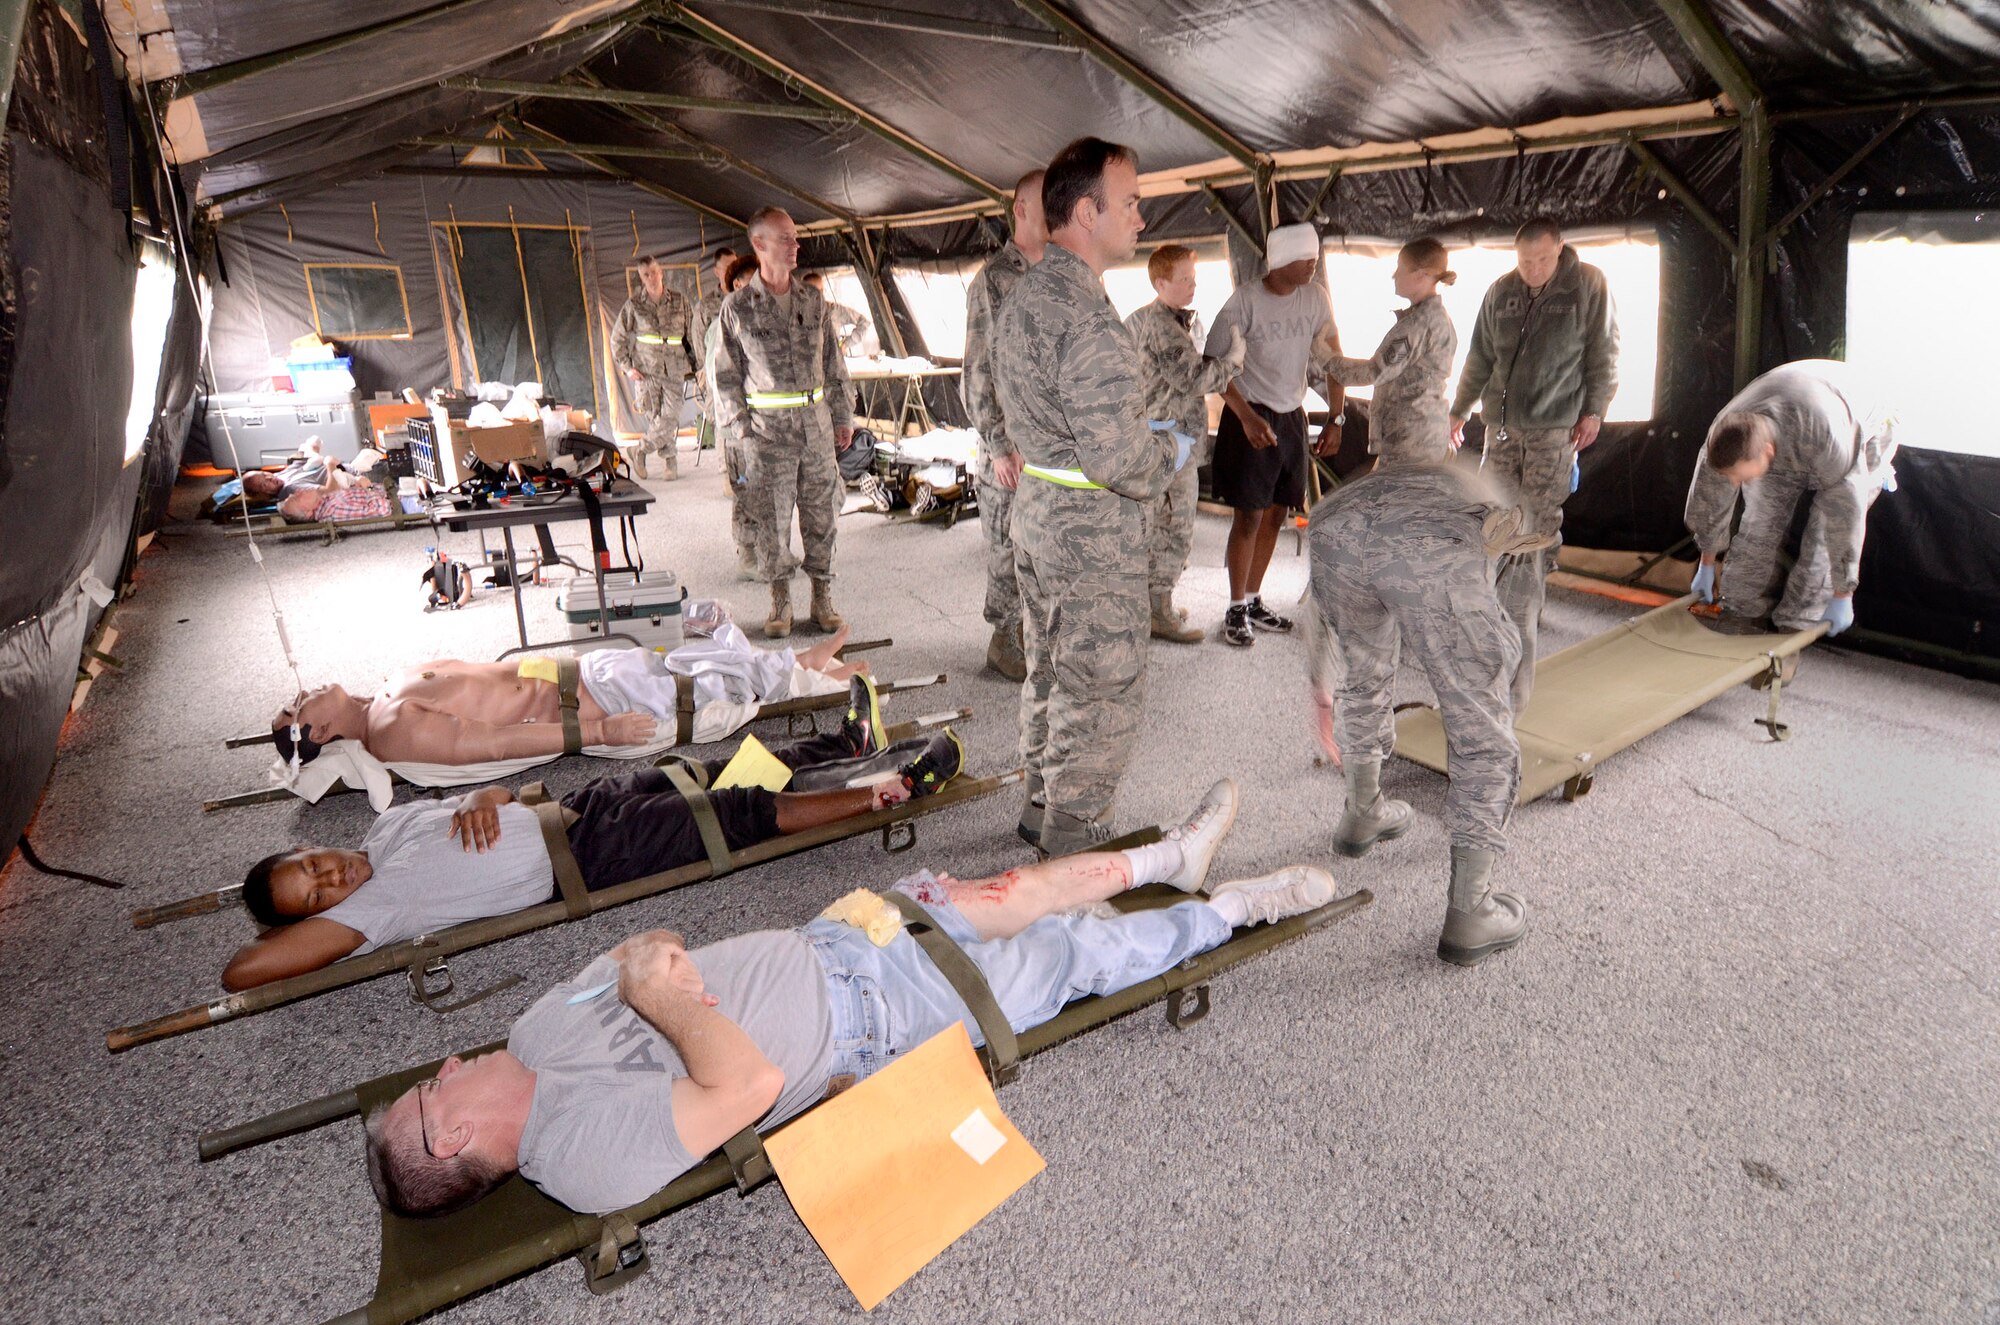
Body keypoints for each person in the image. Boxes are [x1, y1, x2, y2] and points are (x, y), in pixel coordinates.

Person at [360, 778, 1342, 1219]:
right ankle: (1227, 910)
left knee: (1018, 890)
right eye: (430, 1093)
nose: (443, 1066)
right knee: (1076, 952)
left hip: (840, 935)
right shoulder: (579, 1159)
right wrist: (662, 997)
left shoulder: (530, 1033)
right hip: (886, 1022)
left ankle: (1170, 856)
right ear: (454, 1139)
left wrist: (652, 965)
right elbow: (746, 1086)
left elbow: (644, 948)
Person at [220, 715, 967, 992]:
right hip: (587, 858)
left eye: (313, 867)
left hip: (574, 807)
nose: (331, 878)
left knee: (707, 771)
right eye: (318, 896)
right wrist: (306, 926)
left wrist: (484, 800)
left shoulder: (386, 832)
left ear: (311, 845)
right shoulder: (374, 909)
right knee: (732, 814)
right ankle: (894, 789)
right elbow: (243, 971)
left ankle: (843, 744)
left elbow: (493, 798)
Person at [994, 138, 1184, 856]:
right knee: (1100, 678)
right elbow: (1121, 460)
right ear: (1085, 212)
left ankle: (1041, 801)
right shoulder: (1088, 318)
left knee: (1049, 665)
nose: (1140, 217)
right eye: (1129, 203)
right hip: (1090, 531)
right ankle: (1072, 834)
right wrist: (1172, 449)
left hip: (1041, 511)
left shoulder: (1025, 295)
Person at [1306, 463, 1543, 967]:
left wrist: (1319, 685)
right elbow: (1519, 623)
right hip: (1429, 542)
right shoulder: (1504, 508)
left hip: (1333, 527)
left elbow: (1320, 614)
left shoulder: (1422, 478)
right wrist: (1500, 709)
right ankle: (1471, 911)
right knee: (1478, 718)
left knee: (1363, 671)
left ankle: (1362, 813)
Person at [269, 624, 870, 768]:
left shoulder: (386, 690)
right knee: (704, 688)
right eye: (298, 707)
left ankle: (804, 665)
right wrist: (598, 733)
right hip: (582, 705)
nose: (304, 693)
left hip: (578, 672)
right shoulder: (390, 729)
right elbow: (491, 742)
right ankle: (809, 672)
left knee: (690, 659)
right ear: (317, 733)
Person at [1448, 218, 1619, 710]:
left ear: (1559, 248)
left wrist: (1595, 411)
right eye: (1525, 261)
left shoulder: (1588, 286)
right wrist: (1459, 409)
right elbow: (1480, 356)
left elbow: (1603, 354)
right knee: (1496, 519)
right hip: (1502, 429)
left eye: (1542, 259)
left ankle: (1525, 608)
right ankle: (1498, 608)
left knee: (1539, 524)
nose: (1534, 269)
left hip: (1553, 429)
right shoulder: (1500, 292)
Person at [711, 207, 856, 638]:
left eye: (795, 237)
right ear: (759, 244)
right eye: (786, 238)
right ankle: (780, 600)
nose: (796, 245)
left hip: (816, 429)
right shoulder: (738, 307)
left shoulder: (813, 301)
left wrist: (842, 416)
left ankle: (822, 596)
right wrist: (742, 432)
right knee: (772, 522)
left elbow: (834, 365)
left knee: (822, 516)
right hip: (767, 435)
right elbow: (725, 377)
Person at [1683, 359, 1896, 636]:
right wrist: (1707, 562)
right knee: (1759, 522)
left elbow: (1845, 519)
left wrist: (1844, 592)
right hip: (1795, 409)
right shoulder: (1725, 434)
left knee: (1823, 533)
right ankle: (1738, 610)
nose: (1736, 483)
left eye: (1741, 476)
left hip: (1863, 422)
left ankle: (1798, 624)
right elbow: (1711, 500)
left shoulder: (1829, 443)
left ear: (1768, 452)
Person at [1204, 222, 1342, 647]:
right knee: (1248, 515)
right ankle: (1234, 608)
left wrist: (1336, 417)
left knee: (1278, 512)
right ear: (1280, 258)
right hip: (1249, 413)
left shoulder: (1315, 298)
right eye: (1305, 259)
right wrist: (1246, 417)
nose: (1313, 266)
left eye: (1316, 258)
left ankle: (1252, 599)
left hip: (1291, 416)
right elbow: (1214, 366)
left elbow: (1334, 356)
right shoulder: (1244, 302)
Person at [1124, 244, 1246, 642]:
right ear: (1160, 283)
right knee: (1175, 526)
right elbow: (1194, 379)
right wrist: (1234, 361)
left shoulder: (1161, 319)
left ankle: (1153, 604)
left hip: (1164, 439)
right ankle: (1158, 611)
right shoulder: (1162, 325)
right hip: (1169, 444)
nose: (1193, 286)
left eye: (1194, 279)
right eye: (1184, 280)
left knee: (1160, 523)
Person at [961, 170, 1048, 681]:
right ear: (1020, 209)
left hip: (1051, 443)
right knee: (1006, 541)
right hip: (1009, 444)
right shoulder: (994, 280)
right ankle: (1004, 637)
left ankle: (1037, 632)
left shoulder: (1062, 275)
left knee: (1042, 542)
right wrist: (998, 445)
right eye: (1046, 202)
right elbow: (977, 372)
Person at [1314, 238, 1458, 469]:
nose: (1394, 275)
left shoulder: (1418, 325)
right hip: (1420, 438)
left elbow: (1375, 372)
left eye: (1401, 269)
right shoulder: (1433, 318)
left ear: (1422, 275)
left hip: (1411, 442)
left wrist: (1325, 357)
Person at [611, 255, 696, 482]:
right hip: (646, 371)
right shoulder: (634, 305)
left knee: (670, 415)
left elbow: (692, 335)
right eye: (646, 274)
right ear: (641, 277)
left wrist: (697, 365)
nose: (651, 278)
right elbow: (617, 338)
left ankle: (640, 450)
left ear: (661, 273)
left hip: (674, 368)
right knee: (656, 416)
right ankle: (670, 460)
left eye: (654, 272)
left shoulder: (679, 301)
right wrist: (627, 367)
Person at [710, 255, 765, 578]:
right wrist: (739, 424)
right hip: (736, 426)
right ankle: (747, 556)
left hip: (761, 424)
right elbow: (720, 377)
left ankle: (764, 550)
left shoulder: (764, 317)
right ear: (737, 285)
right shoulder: (728, 318)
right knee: (746, 491)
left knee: (763, 490)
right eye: (752, 280)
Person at [692, 245, 739, 454]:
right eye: (727, 267)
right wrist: (706, 373)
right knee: (722, 421)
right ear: (716, 271)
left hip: (745, 373)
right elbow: (699, 341)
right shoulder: (706, 305)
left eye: (735, 266)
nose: (732, 271)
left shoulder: (746, 297)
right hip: (717, 375)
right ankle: (725, 467)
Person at [277, 467, 392, 524]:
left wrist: (357, 484)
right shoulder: (332, 511)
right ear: (308, 513)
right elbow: (382, 510)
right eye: (296, 498)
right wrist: (369, 488)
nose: (298, 491)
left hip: (390, 489)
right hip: (397, 499)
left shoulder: (326, 501)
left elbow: (358, 499)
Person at [800, 272, 873, 356]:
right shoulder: (796, 313)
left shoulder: (834, 310)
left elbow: (864, 322)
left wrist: (846, 344)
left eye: (819, 290)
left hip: (833, 361)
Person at [240, 437, 334, 502]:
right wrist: (331, 466)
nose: (270, 478)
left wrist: (310, 448)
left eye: (264, 474)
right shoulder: (290, 490)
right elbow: (330, 490)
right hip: (339, 476)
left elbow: (302, 462)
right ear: (265, 493)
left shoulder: (279, 477)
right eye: (264, 484)